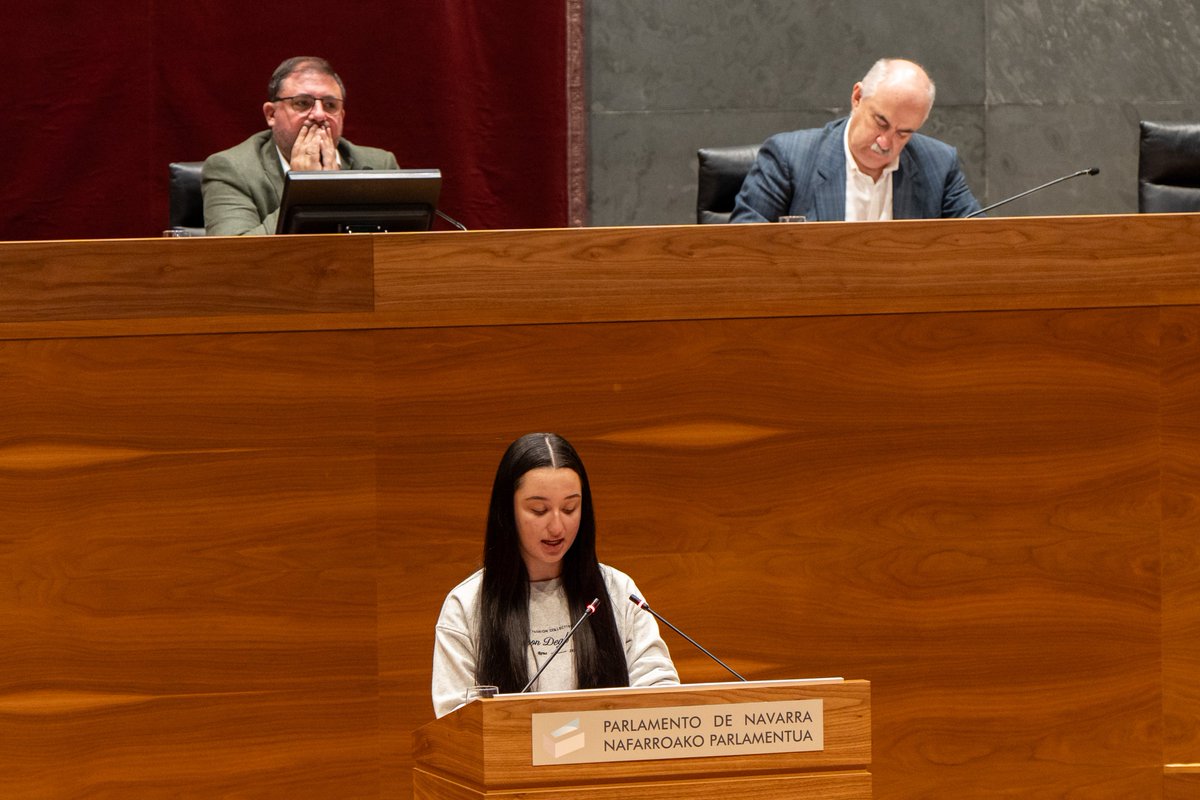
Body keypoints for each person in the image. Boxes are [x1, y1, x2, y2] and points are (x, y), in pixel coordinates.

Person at [432, 433, 678, 718]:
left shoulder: (619, 592)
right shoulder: (465, 607)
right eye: (539, 510)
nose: (557, 527)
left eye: (570, 508)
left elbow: (661, 694)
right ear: (507, 511)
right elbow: (456, 724)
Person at [731, 58, 981, 223]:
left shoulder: (938, 165)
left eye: (903, 133)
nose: (885, 142)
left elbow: (979, 246)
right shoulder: (788, 158)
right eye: (881, 122)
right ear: (858, 97)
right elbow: (742, 250)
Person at [201, 56, 399, 236]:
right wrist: (304, 191)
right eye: (303, 103)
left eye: (330, 105)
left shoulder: (380, 165)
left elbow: (404, 247)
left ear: (342, 116)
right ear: (271, 114)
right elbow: (232, 254)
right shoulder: (231, 169)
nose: (319, 115)